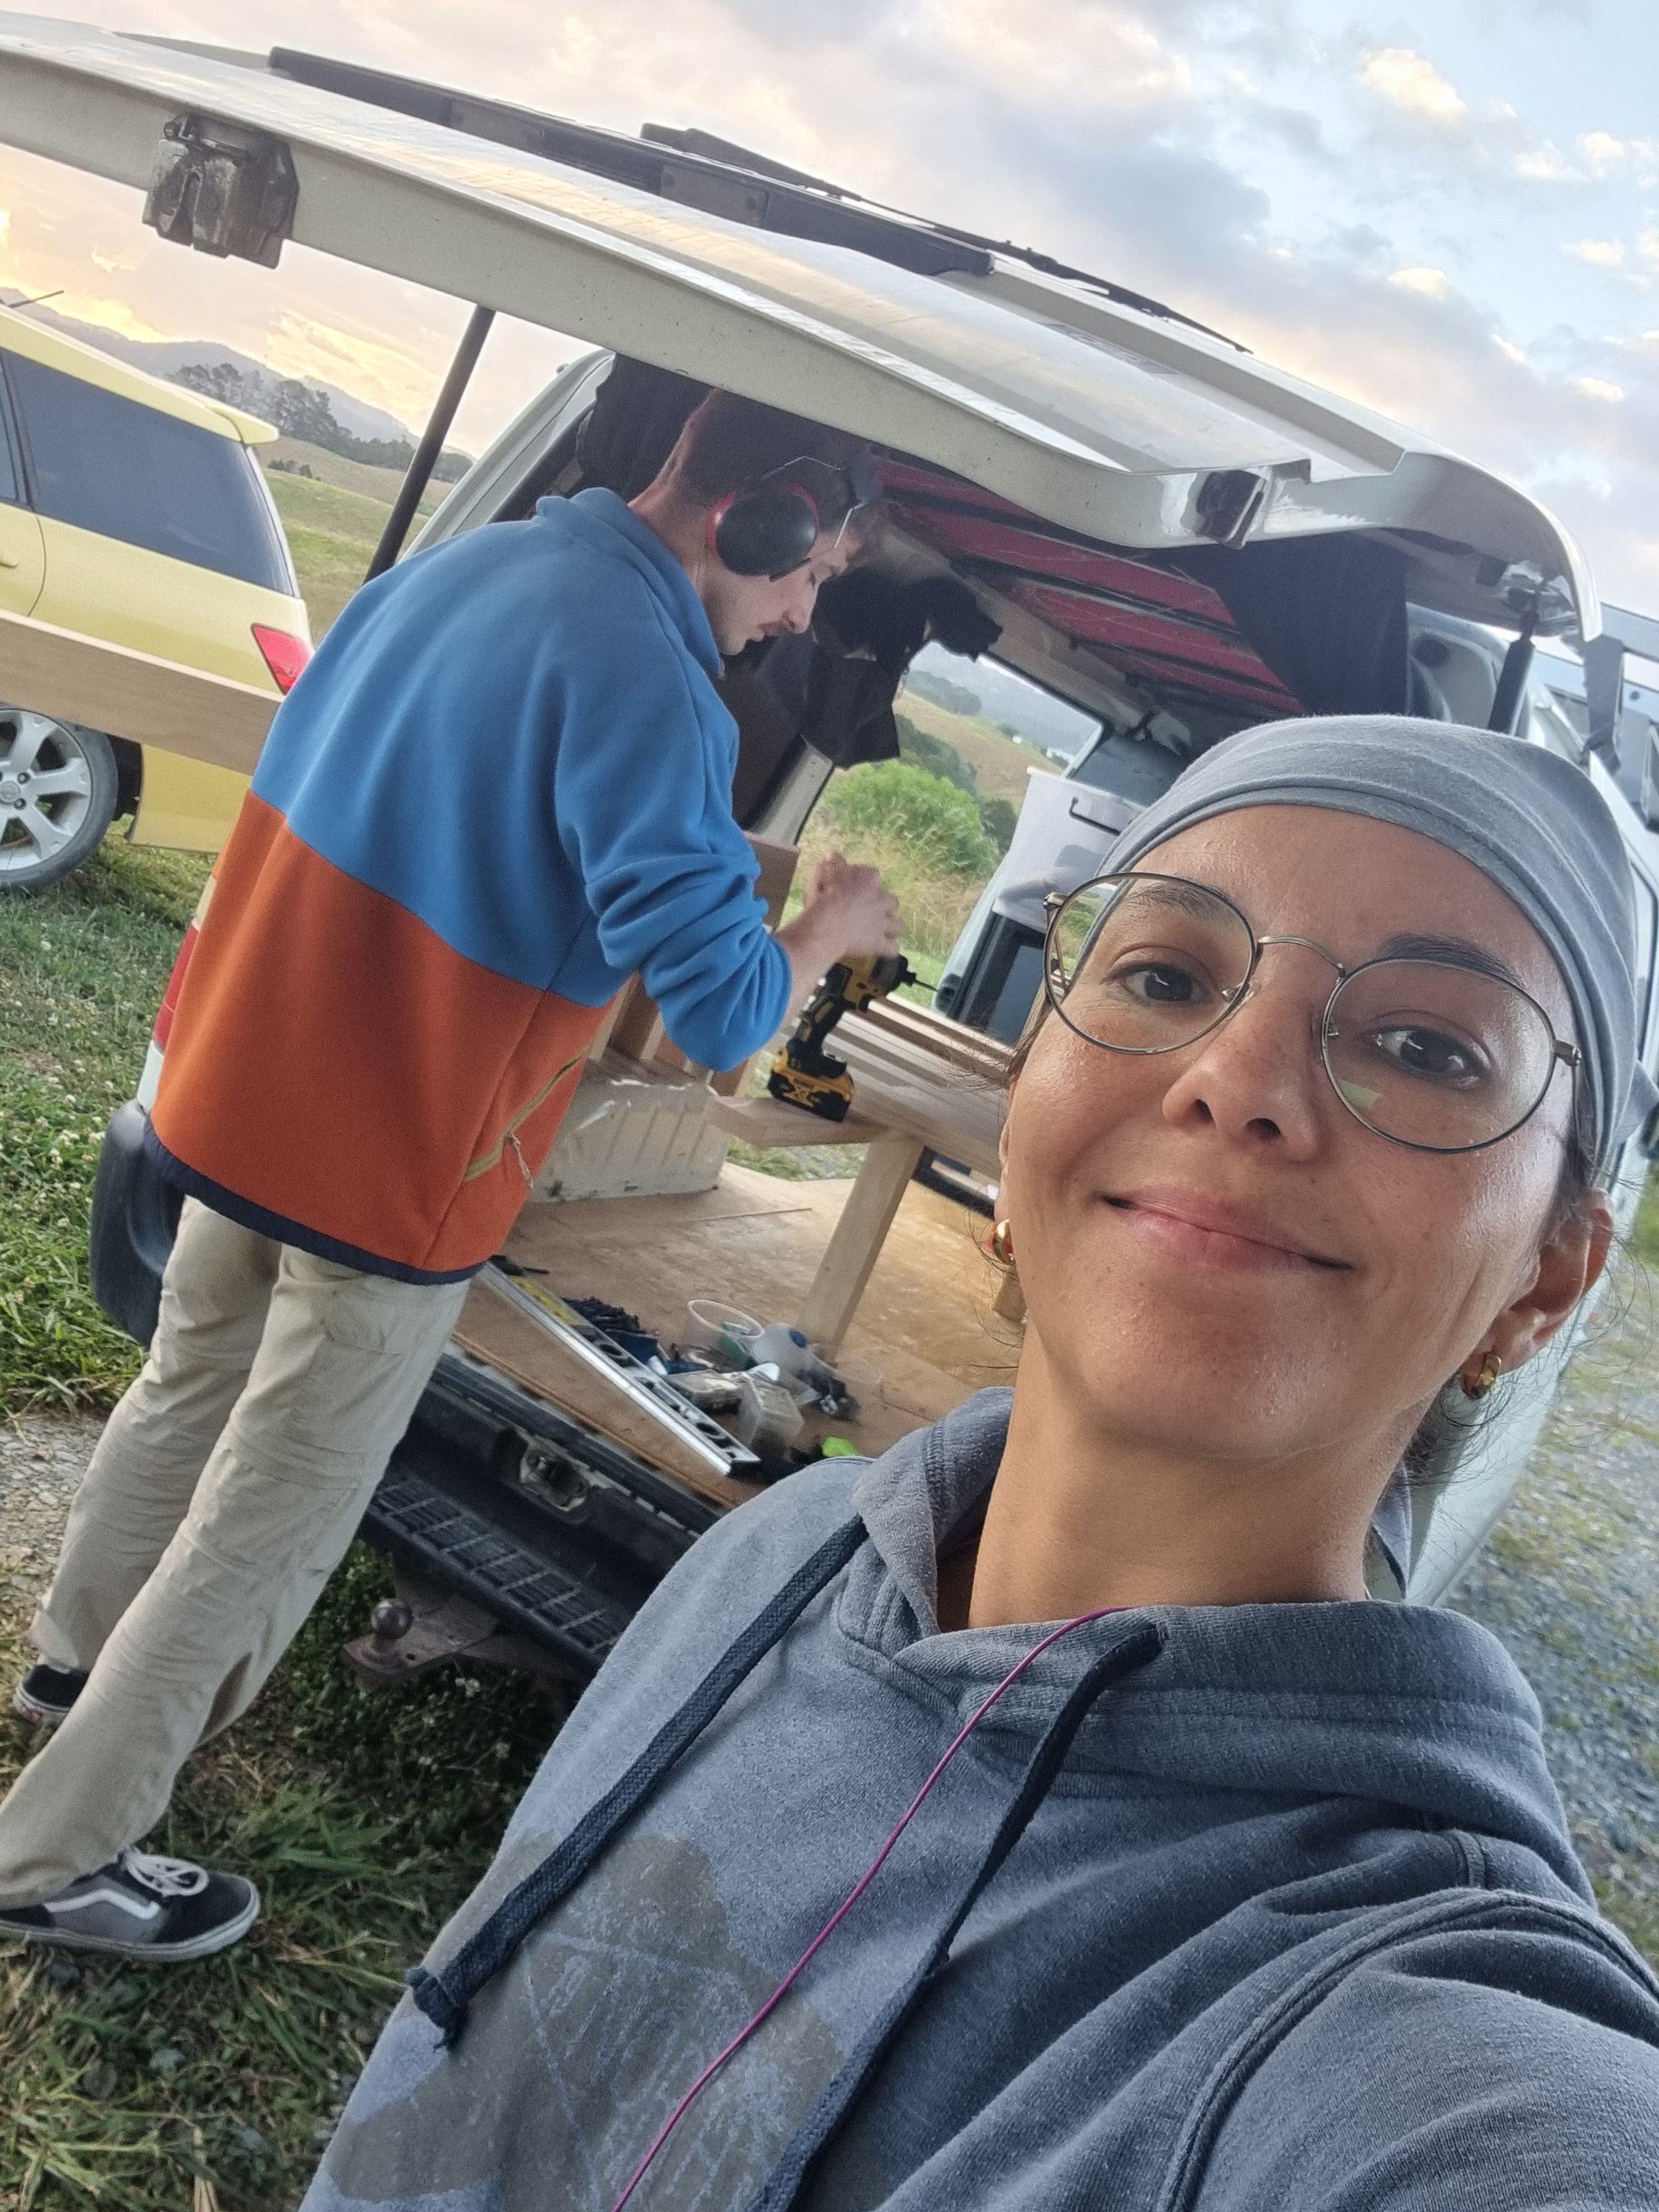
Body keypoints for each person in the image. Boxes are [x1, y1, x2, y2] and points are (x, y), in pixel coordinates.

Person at [304, 715, 1659, 2212]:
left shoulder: (1411, 2033)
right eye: (1167, 975)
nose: (1237, 1078)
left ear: (1544, 1279)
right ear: (1024, 1105)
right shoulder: (781, 1550)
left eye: (1426, 1046)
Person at [0, 389, 900, 1963]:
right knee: (269, 1515)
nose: (803, 612)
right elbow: (720, 1016)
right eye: (814, 572)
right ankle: (52, 1859)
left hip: (241, 1094)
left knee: (184, 1391)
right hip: (393, 1166)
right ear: (757, 517)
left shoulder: (454, 567)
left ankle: (68, 1673)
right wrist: (823, 934)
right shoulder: (656, 688)